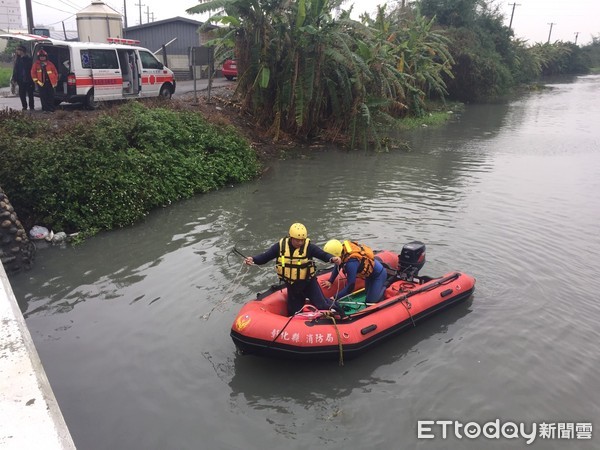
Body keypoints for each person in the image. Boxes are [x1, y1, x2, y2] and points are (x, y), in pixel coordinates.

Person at [244, 223, 344, 316]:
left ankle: (341, 313)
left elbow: (322, 254)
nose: (300, 242)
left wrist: (332, 258)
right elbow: (265, 257)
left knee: (322, 305)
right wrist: (253, 259)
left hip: (309, 283)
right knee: (294, 312)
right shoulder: (280, 247)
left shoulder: (308, 247)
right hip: (292, 286)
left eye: (302, 240)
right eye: (297, 240)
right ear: (290, 237)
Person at [321, 239, 388, 303]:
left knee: (371, 301)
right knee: (367, 294)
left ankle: (386, 286)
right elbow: (337, 265)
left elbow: (350, 287)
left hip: (378, 275)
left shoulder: (351, 263)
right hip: (369, 275)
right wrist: (330, 281)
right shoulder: (343, 252)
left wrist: (335, 297)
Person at [12, 46, 35, 110]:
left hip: (29, 79)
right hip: (20, 79)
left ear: (22, 51)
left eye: (18, 50)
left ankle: (32, 107)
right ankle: (24, 106)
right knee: (22, 94)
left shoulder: (29, 59)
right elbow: (15, 70)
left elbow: (31, 69)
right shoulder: (17, 60)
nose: (17, 52)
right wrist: (14, 78)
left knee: (30, 94)